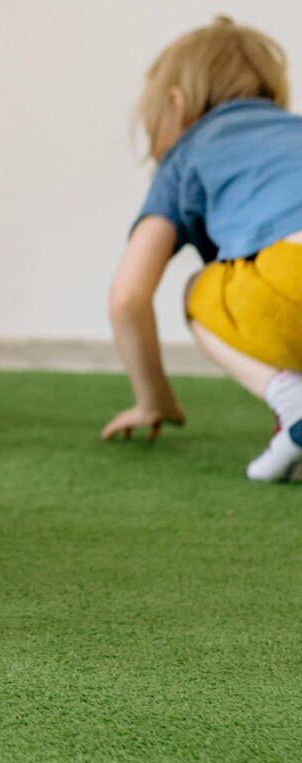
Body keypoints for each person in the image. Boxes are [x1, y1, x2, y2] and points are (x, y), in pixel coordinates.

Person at [102, 17, 302, 482]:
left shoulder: (188, 153)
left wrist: (154, 399)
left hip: (289, 277)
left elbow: (127, 297)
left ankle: (292, 403)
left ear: (174, 104)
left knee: (200, 290)